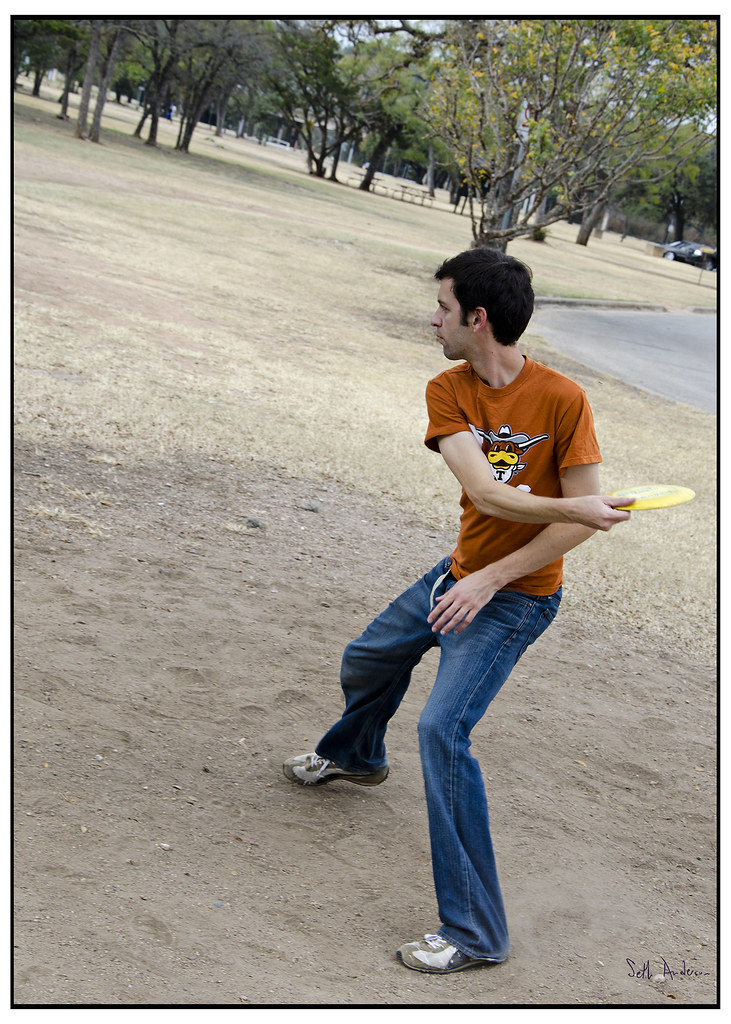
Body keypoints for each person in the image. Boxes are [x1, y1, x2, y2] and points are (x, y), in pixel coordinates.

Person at [283, 248, 632, 974]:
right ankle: (355, 755)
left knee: (443, 732)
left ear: (477, 318)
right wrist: (569, 515)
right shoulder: (448, 388)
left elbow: (574, 527)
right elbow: (487, 493)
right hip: (457, 576)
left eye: (441, 307)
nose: (432, 319)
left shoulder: (563, 399)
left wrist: (494, 579)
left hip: (516, 600)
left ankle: (475, 933)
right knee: (369, 658)